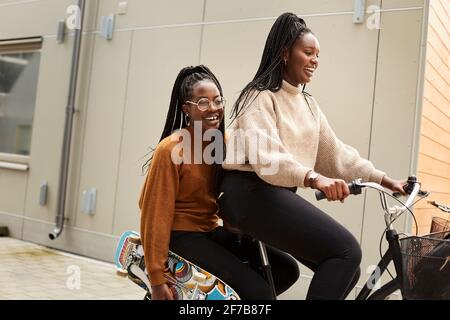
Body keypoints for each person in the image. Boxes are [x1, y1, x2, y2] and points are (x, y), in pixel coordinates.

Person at [219, 13, 408, 300]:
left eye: (318, 55)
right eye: (308, 52)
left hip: (274, 194)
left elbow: (337, 155)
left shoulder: (308, 104)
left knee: (348, 268)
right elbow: (268, 159)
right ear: (285, 53)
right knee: (347, 251)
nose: (315, 60)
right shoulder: (259, 97)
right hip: (248, 193)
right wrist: (314, 178)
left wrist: (383, 179)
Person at [139, 65, 299, 300]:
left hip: (211, 231)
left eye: (218, 100)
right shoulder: (171, 149)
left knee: (286, 270)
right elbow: (154, 215)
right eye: (203, 103)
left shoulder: (223, 143)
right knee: (259, 294)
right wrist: (157, 278)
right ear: (186, 109)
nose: (213, 108)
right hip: (181, 235)